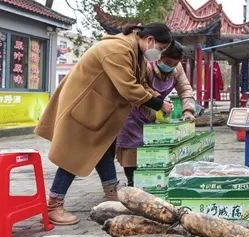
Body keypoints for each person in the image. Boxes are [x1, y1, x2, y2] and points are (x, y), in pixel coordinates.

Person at [35, 23, 173, 225]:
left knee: (103, 150)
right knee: (75, 155)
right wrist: (158, 103)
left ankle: (111, 194)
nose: (158, 54)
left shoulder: (134, 50)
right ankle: (53, 205)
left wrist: (156, 97)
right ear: (150, 40)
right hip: (83, 106)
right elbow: (128, 87)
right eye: (160, 49)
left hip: (98, 109)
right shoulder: (117, 49)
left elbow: (140, 82)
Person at [116, 41, 197, 187]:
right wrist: (157, 105)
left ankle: (152, 181)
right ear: (159, 57)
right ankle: (132, 181)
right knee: (132, 149)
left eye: (174, 63)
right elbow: (140, 88)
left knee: (151, 149)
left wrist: (188, 110)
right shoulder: (146, 66)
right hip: (133, 112)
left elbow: (185, 89)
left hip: (155, 111)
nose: (170, 66)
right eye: (167, 62)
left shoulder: (177, 69)